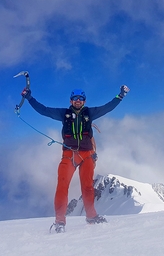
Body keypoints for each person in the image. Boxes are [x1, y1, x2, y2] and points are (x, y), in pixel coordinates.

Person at [21, 84, 130, 233]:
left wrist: (120, 96)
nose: (78, 101)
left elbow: (107, 107)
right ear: (71, 101)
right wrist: (29, 98)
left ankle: (91, 216)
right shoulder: (63, 114)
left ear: (84, 101)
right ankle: (59, 221)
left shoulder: (90, 113)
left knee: (88, 187)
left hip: (87, 154)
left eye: (80, 98)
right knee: (62, 186)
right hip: (69, 154)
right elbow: (44, 110)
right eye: (75, 98)